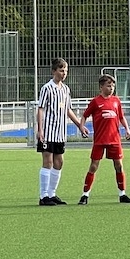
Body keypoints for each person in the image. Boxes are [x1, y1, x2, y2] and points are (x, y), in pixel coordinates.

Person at [78, 74, 130, 205]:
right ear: (101, 87)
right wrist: (82, 126)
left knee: (119, 165)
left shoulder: (116, 101)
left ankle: (122, 194)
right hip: (100, 140)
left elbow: (121, 117)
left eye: (113, 85)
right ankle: (85, 195)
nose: (111, 88)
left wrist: (127, 129)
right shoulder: (95, 102)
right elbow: (85, 115)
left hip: (114, 139)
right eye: (108, 85)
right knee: (93, 166)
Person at [35, 58, 85, 205]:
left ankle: (52, 194)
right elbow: (40, 108)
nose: (64, 73)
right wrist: (40, 129)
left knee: (59, 162)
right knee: (48, 161)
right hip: (48, 131)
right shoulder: (47, 88)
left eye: (66, 71)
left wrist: (79, 125)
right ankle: (43, 196)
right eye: (61, 70)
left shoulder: (65, 89)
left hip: (60, 132)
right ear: (54, 71)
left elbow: (68, 109)